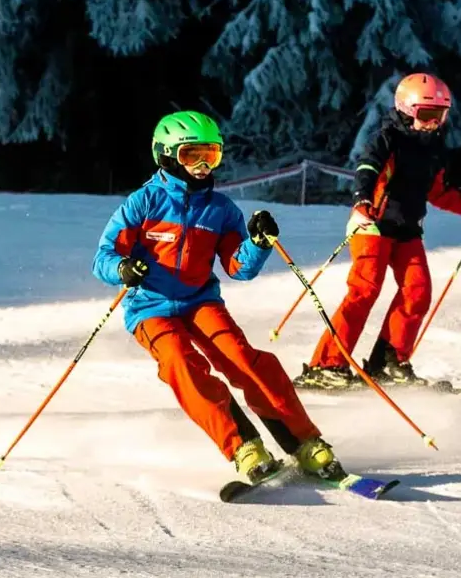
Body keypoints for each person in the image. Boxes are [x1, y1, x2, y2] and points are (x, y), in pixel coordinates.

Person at [93, 110, 348, 483]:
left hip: (199, 302)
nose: (201, 165)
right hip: (149, 307)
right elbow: (104, 256)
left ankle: (305, 443)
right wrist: (123, 269)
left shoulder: (220, 210)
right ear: (165, 156)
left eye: (210, 155)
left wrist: (258, 243)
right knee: (180, 363)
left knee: (244, 359)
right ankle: (244, 446)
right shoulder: (143, 203)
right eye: (191, 155)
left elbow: (238, 266)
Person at [298, 73, 461, 390]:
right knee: (364, 291)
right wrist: (362, 200)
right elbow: (366, 170)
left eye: (440, 116)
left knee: (417, 292)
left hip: (407, 231)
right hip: (373, 225)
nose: (434, 124)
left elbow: (440, 193)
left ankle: (388, 362)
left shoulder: (433, 150)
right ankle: (327, 366)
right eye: (427, 116)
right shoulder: (387, 140)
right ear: (407, 110)